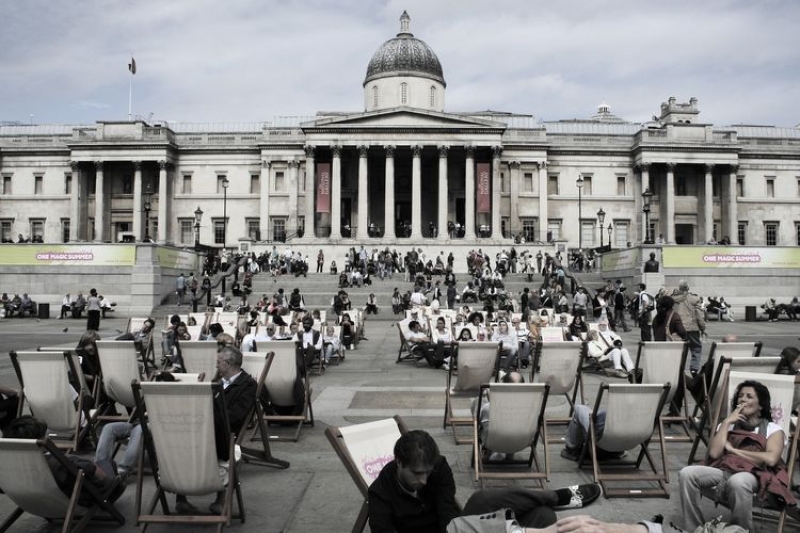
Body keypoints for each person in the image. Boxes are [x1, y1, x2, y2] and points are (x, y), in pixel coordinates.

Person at [368, 429, 601, 533]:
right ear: (398, 462)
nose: (424, 480)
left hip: (455, 528)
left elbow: (447, 508)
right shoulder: (380, 493)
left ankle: (555, 497)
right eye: (417, 473)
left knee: (486, 498)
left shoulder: (438, 466)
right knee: (542, 517)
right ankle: (554, 501)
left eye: (427, 472)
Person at [679, 380, 795, 531]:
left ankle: (740, 530)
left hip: (755, 474)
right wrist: (726, 422)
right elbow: (714, 453)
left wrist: (734, 451)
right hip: (725, 469)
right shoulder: (728, 424)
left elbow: (771, 459)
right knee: (687, 473)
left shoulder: (773, 429)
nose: (743, 400)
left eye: (749, 396)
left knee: (738, 481)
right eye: (740, 396)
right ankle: (694, 528)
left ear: (760, 406)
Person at [176, 345, 257, 515]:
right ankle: (181, 499)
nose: (216, 366)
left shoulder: (247, 385)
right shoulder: (217, 382)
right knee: (180, 443)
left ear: (228, 363)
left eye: (218, 362)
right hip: (204, 429)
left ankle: (220, 500)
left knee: (228, 452)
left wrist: (207, 414)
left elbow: (236, 416)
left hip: (224, 435)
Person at [4, 415, 125, 506]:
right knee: (107, 463)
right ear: (40, 440)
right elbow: (101, 475)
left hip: (39, 502)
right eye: (45, 435)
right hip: (82, 499)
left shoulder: (11, 466)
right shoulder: (58, 462)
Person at [672, 280, 706, 374]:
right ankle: (694, 369)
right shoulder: (694, 298)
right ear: (688, 288)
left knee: (679, 350)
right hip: (692, 328)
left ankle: (678, 369)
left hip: (677, 328)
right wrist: (702, 328)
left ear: (679, 288)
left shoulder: (673, 299)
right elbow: (699, 316)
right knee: (696, 348)